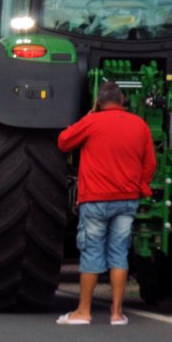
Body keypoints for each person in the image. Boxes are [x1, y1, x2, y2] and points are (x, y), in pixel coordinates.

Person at [56, 82, 155, 326]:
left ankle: (84, 311)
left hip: (96, 200)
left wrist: (89, 115)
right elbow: (150, 164)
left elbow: (63, 141)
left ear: (98, 102)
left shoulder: (92, 122)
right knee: (119, 254)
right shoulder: (140, 125)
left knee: (91, 253)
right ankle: (116, 313)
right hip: (127, 200)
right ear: (123, 100)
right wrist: (140, 186)